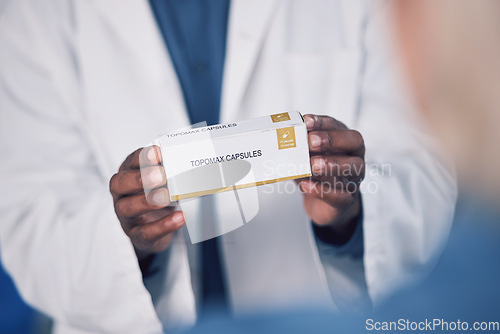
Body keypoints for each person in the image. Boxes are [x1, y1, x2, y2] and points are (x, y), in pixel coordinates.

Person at [0, 1, 456, 333]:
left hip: (323, 319)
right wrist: (127, 240)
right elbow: (31, 226)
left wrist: (351, 216)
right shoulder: (32, 18)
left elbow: (434, 167)